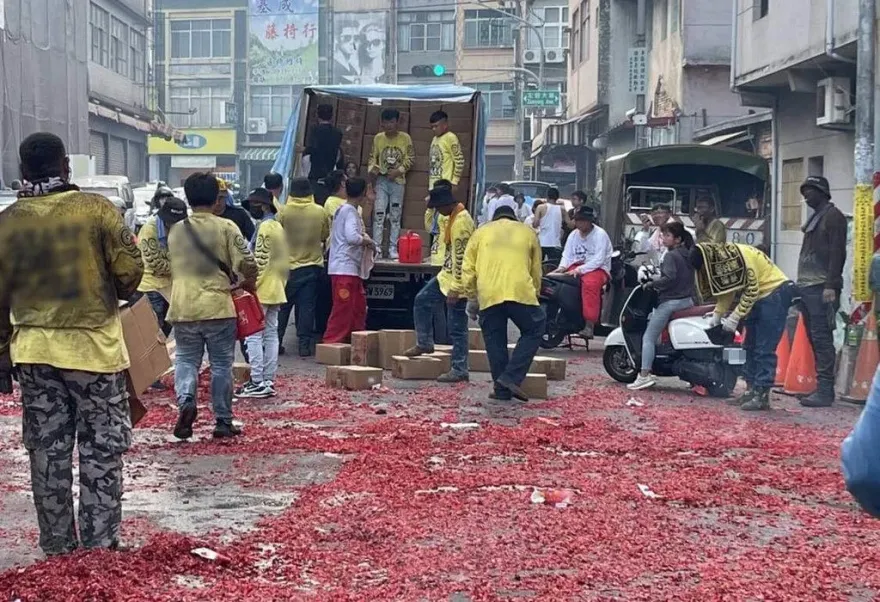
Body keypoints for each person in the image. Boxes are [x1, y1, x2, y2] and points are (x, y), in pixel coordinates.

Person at [0, 132, 144, 555]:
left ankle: (58, 547)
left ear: (23, 172)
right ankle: (100, 545)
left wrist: (1, 353)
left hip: (33, 354)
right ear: (65, 167)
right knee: (102, 446)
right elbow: (129, 274)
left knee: (47, 451)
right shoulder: (97, 210)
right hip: (93, 353)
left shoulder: (7, 222)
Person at [168, 173, 257, 439]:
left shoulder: (176, 230)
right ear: (216, 198)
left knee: (185, 359)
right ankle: (223, 421)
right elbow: (247, 262)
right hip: (218, 306)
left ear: (188, 197)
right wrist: (248, 282)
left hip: (183, 305)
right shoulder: (227, 227)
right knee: (220, 364)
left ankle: (186, 401)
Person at [450, 206, 545, 401]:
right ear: (514, 217)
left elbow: (467, 269)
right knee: (535, 328)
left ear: (494, 218)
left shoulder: (480, 232)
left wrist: (472, 297)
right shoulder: (528, 232)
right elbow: (536, 270)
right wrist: (535, 293)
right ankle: (509, 378)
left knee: (495, 341)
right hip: (520, 291)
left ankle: (501, 389)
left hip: (489, 293)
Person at [691, 242, 794, 411]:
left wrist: (735, 317)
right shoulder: (724, 259)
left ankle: (761, 395)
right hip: (760, 299)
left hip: (774, 294)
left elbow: (752, 289)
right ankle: (750, 390)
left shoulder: (741, 257)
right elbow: (727, 289)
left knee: (764, 348)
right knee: (749, 346)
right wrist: (718, 314)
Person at [405, 184, 476, 383]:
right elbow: (432, 226)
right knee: (422, 301)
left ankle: (460, 368)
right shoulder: (451, 215)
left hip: (457, 280)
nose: (438, 212)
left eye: (438, 208)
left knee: (457, 327)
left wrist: (457, 288)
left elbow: (462, 258)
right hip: (446, 273)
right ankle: (425, 342)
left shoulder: (461, 222)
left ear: (446, 205)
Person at [796, 175, 847, 408]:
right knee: (813, 337)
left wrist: (830, 285)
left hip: (821, 288)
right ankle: (820, 386)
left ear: (822, 192)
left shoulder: (833, 217)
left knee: (822, 337)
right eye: (804, 192)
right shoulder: (816, 217)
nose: (806, 197)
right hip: (808, 287)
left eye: (810, 191)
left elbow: (838, 253)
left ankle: (826, 390)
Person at [627, 222, 696, 390]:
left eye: (667, 235)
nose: (663, 238)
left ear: (678, 239)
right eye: (663, 235)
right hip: (687, 300)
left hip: (671, 302)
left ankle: (644, 375)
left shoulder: (672, 256)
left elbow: (669, 278)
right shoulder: (687, 254)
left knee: (649, 337)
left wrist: (651, 284)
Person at [237, 188, 288, 399]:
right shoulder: (278, 226)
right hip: (276, 287)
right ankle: (268, 380)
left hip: (262, 289)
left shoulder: (265, 228)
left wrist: (249, 285)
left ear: (263, 205)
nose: (252, 210)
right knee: (271, 335)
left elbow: (258, 260)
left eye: (254, 205)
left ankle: (257, 380)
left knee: (253, 336)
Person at [277, 177, 330, 356]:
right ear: (310, 192)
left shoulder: (283, 212)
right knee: (307, 307)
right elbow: (325, 234)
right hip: (311, 266)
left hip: (287, 268)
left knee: (283, 308)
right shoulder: (319, 211)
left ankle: (276, 343)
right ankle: (304, 346)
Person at [324, 177, 376, 343]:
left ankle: (355, 342)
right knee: (343, 309)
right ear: (363, 193)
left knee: (357, 308)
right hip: (344, 268)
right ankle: (332, 343)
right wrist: (368, 242)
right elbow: (352, 237)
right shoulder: (350, 212)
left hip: (349, 269)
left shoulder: (346, 210)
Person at [553, 206, 613, 338]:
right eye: (578, 220)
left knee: (590, 284)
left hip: (597, 269)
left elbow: (599, 259)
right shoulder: (573, 235)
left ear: (590, 221)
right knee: (555, 280)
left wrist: (580, 270)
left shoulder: (600, 234)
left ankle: (589, 325)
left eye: (583, 220)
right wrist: (562, 267)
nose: (580, 223)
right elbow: (567, 255)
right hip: (576, 266)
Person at [137, 196, 188, 337]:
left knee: (167, 328)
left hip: (170, 287)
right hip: (151, 287)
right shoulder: (149, 230)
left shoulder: (182, 229)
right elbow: (155, 263)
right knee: (154, 331)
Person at [368, 108, 414, 259]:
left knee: (395, 215)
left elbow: (410, 159)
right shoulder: (378, 138)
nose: (388, 125)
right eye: (385, 122)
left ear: (397, 122)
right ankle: (377, 248)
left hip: (398, 182)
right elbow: (372, 158)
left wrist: (398, 171)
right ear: (381, 123)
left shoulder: (405, 138)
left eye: (392, 122)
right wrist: (372, 169)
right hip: (381, 180)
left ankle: (393, 248)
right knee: (379, 214)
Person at [300, 104, 344, 206]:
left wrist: (304, 149)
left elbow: (314, 149)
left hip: (315, 175)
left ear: (317, 115)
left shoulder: (315, 130)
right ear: (332, 116)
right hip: (330, 175)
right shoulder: (338, 133)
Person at [533, 187, 565, 264]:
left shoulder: (540, 207)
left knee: (539, 265)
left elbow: (535, 224)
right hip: (555, 243)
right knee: (553, 266)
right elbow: (570, 224)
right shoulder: (562, 209)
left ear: (547, 196)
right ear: (557, 197)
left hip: (542, 242)